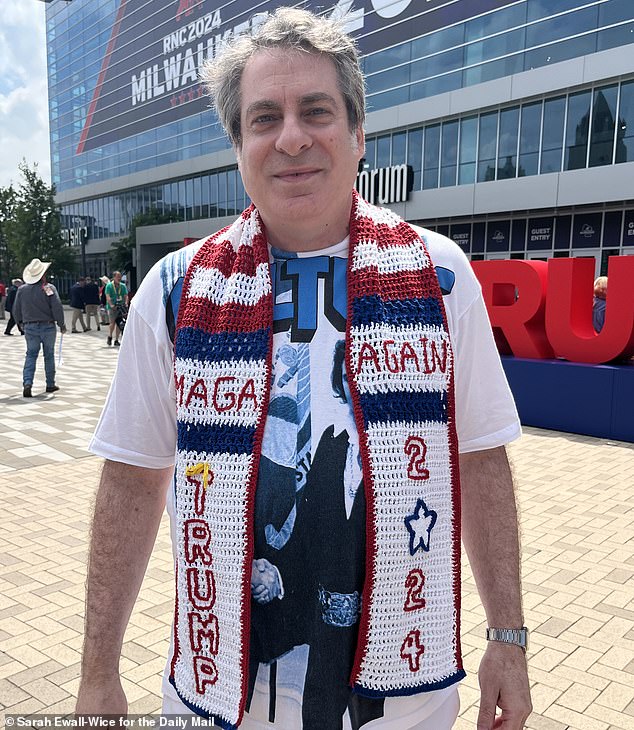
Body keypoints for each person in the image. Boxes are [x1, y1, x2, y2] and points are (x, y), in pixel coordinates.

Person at [77, 8, 531, 730]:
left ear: (357, 133)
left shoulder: (441, 278)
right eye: (264, 118)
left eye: (315, 110)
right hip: (217, 696)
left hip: (403, 702)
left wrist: (508, 638)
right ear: (238, 145)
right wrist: (98, 676)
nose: (291, 137)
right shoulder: (173, 290)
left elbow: (478, 457)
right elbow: (131, 480)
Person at [12, 258, 66, 397]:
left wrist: (20, 323)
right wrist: (61, 324)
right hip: (47, 325)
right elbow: (57, 307)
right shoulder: (48, 288)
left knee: (31, 355)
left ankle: (27, 382)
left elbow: (16, 309)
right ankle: (50, 384)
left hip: (30, 326)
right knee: (49, 355)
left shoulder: (22, 289)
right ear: (42, 274)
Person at [104, 271, 128, 346]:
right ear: (114, 277)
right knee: (112, 323)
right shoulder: (109, 286)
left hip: (120, 306)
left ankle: (117, 340)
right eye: (118, 277)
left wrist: (126, 303)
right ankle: (110, 336)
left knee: (119, 324)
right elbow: (107, 296)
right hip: (112, 307)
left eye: (120, 276)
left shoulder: (123, 286)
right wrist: (111, 304)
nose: (119, 278)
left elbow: (126, 295)